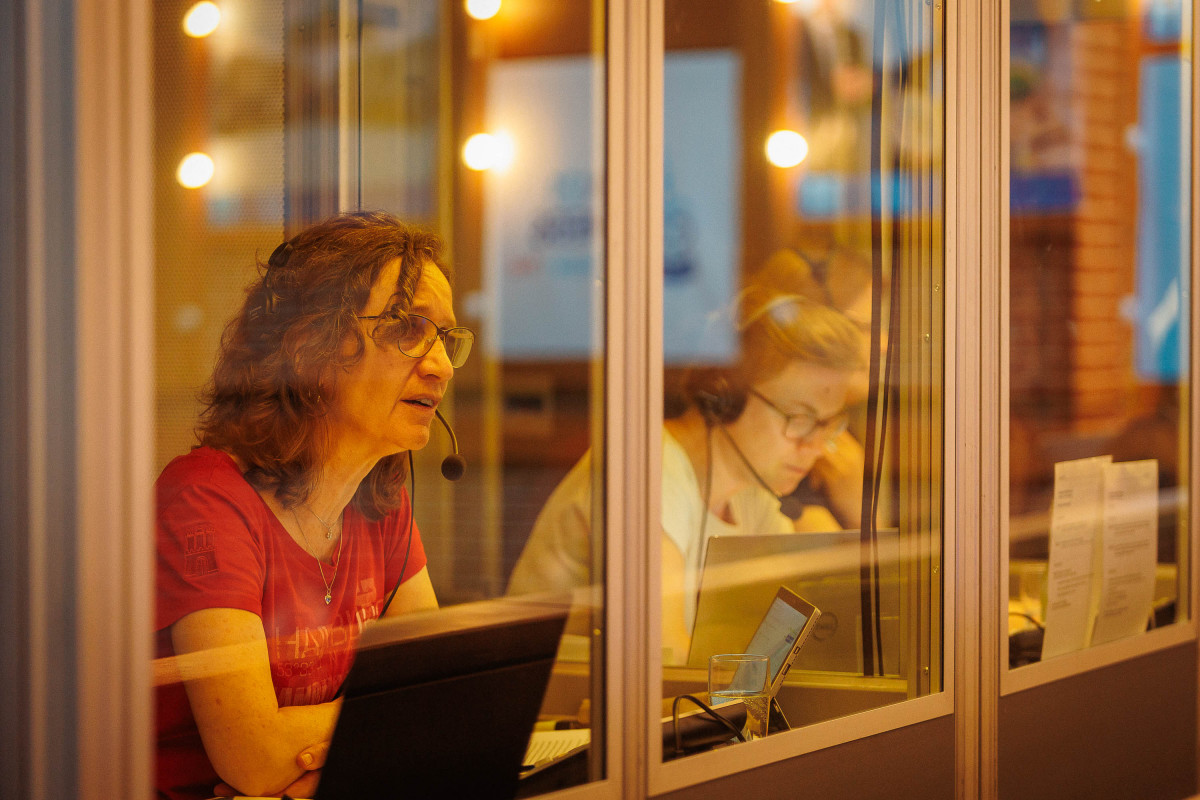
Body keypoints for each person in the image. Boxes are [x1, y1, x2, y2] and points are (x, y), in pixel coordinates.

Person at [154, 211, 475, 800]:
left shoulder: (381, 500)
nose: (440, 366)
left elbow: (442, 700)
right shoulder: (203, 499)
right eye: (407, 328)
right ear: (309, 345)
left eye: (445, 339)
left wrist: (343, 758)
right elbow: (255, 759)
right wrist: (382, 725)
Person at [506, 272, 865, 663]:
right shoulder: (645, 469)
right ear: (725, 394)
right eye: (800, 418)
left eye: (828, 425)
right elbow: (667, 661)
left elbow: (791, 645)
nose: (816, 446)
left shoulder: (750, 498)